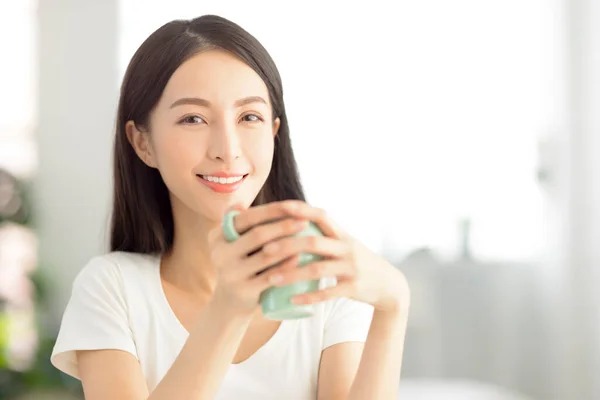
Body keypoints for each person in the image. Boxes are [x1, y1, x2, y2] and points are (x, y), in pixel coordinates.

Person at [50, 14, 410, 400]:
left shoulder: (325, 287)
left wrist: (394, 305)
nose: (228, 149)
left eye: (249, 117)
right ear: (143, 143)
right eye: (193, 118)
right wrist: (228, 309)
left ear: (274, 132)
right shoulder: (112, 288)